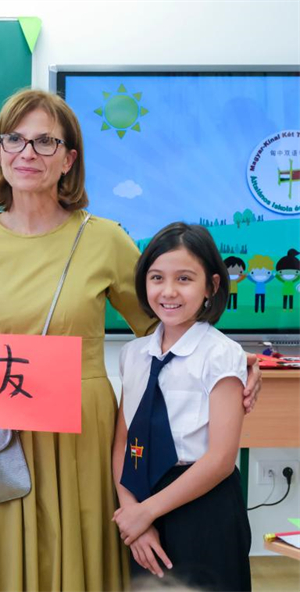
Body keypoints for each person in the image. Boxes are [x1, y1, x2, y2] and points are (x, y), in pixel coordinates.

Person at [0, 89, 260, 591]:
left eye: (44, 142)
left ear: (69, 159)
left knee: (78, 554)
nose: (26, 153)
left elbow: (164, 324)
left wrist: (232, 361)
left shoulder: (103, 239)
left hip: (82, 428)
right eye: (13, 139)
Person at [112, 222, 251, 591]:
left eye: (185, 279)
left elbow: (221, 459)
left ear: (212, 286)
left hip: (203, 505)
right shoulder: (133, 354)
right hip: (141, 495)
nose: (168, 291)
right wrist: (132, 513)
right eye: (156, 277)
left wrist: (147, 511)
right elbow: (124, 441)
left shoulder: (222, 355)